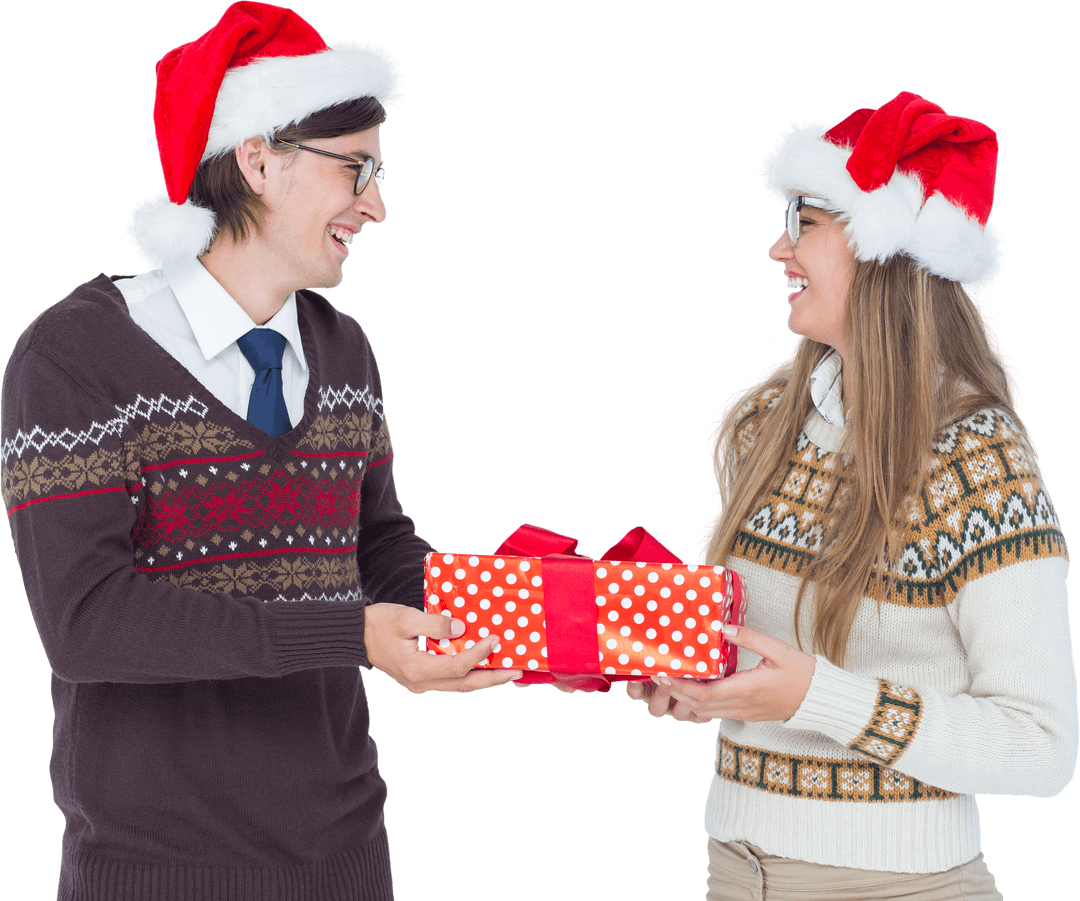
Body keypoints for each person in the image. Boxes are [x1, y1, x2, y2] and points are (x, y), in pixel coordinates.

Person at [0, 3, 519, 899]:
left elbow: (378, 549)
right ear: (258, 158)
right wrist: (348, 632)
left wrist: (534, 612)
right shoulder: (75, 356)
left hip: (345, 859)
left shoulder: (345, 349)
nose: (378, 204)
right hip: (157, 871)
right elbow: (85, 624)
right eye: (356, 168)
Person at [628, 91, 1077, 899]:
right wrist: (699, 677)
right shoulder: (769, 420)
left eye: (806, 221)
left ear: (884, 247)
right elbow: (776, 652)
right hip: (734, 872)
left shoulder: (977, 461)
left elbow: (1042, 747)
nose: (778, 248)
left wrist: (817, 697)